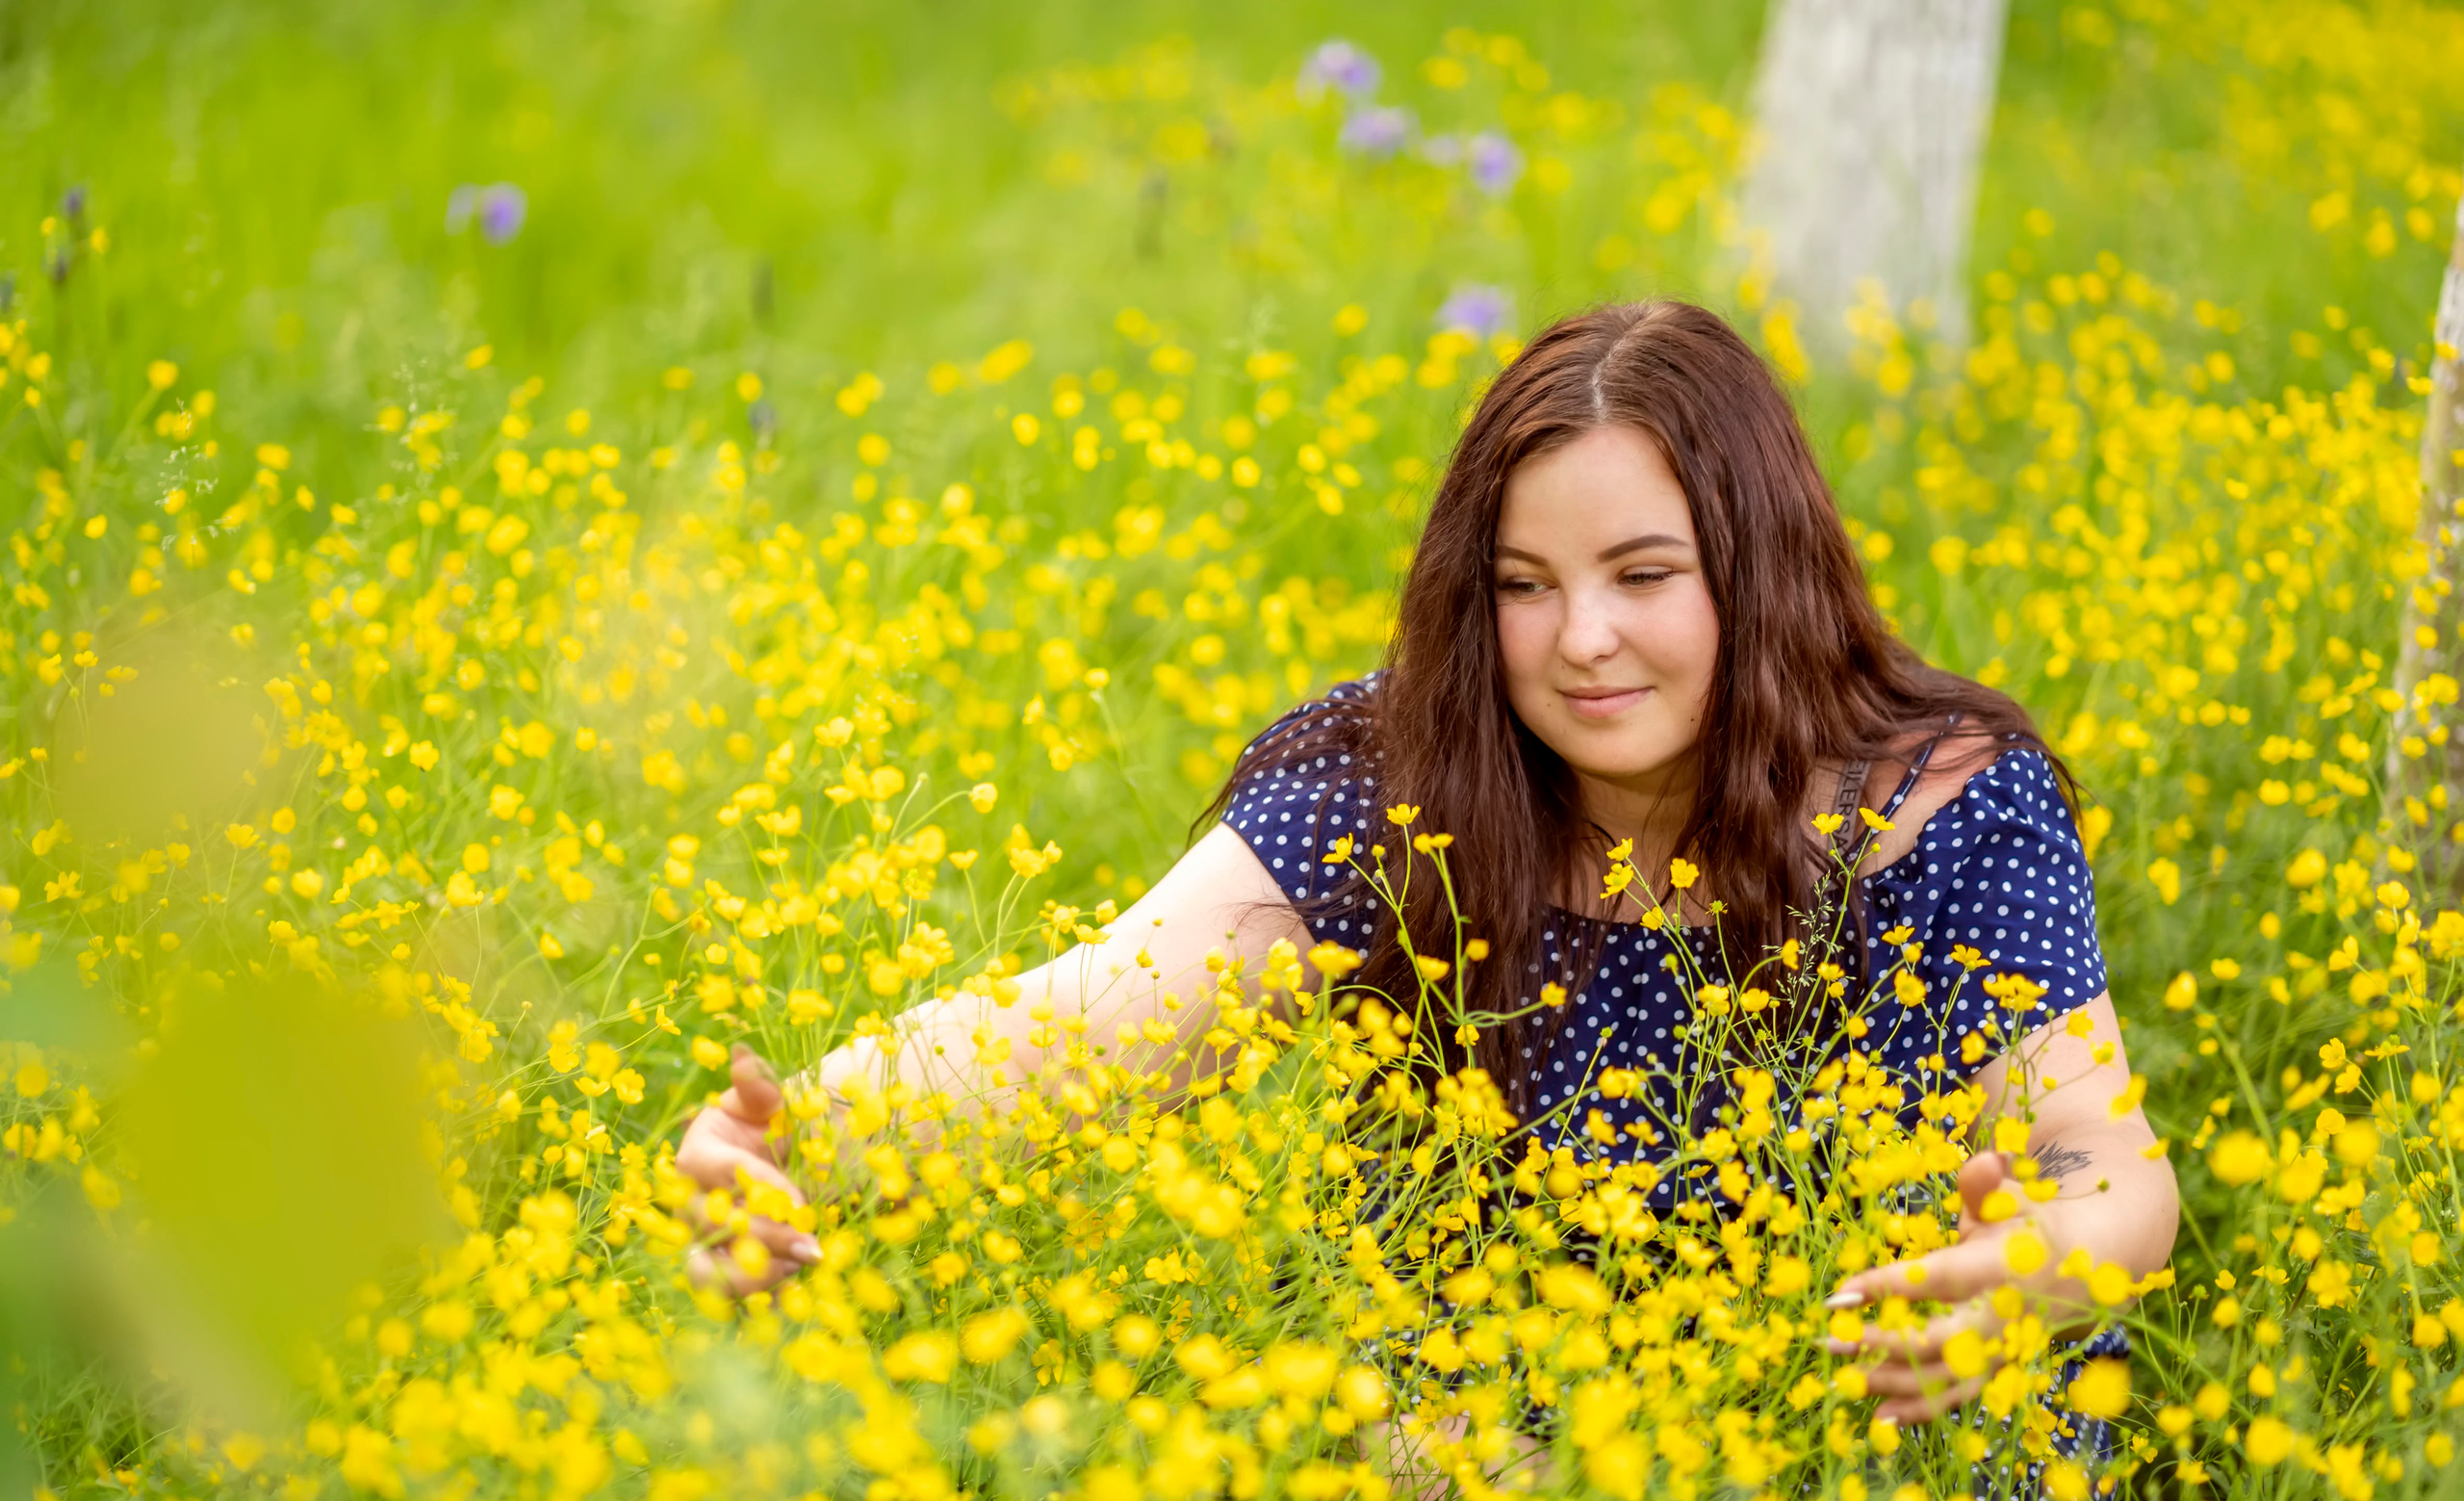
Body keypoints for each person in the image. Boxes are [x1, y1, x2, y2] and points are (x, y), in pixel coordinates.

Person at [675, 298, 2179, 1441]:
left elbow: (2104, 1166)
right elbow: (1075, 1030)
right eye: (1526, 586)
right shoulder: (1405, 784)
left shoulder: (1938, 808)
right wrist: (794, 1137)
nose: (1581, 640)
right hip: (1476, 1470)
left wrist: (2034, 1266)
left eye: (1643, 576)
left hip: (1872, 1438)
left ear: (1762, 568)